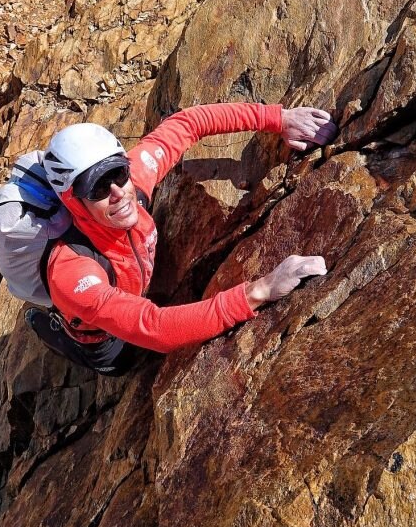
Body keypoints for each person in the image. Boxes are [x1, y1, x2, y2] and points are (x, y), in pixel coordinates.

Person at [24, 102, 337, 375]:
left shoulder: (135, 180)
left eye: (118, 174)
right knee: (118, 363)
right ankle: (50, 330)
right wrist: (260, 291)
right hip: (97, 332)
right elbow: (156, 328)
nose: (119, 193)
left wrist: (277, 118)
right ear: (74, 201)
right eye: (98, 188)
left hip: (132, 283)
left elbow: (188, 124)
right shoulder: (71, 271)